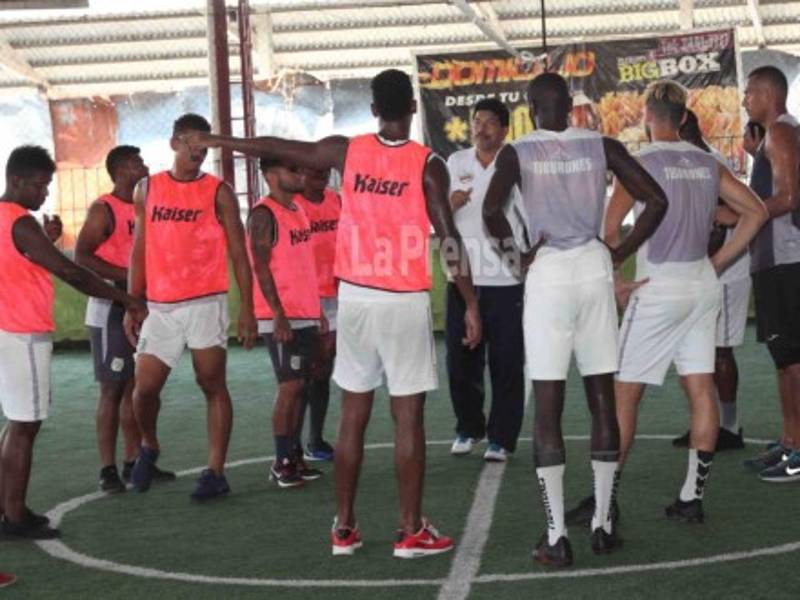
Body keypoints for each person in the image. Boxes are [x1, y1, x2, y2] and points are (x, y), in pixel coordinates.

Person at [183, 69, 481, 558]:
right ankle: (409, 530)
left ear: (372, 110)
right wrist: (469, 301)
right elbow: (448, 236)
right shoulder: (428, 164)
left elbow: (279, 146)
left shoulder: (347, 150)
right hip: (402, 299)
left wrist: (215, 138)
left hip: (355, 301)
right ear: (411, 108)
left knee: (352, 418)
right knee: (408, 419)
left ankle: (344, 528)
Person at [483, 72, 668, 567]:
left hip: (547, 274)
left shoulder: (517, 152)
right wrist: (618, 252)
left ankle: (556, 535)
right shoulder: (602, 146)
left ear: (529, 106)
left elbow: (489, 212)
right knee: (601, 399)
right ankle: (603, 526)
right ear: (570, 104)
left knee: (548, 405)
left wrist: (517, 259)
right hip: (592, 268)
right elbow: (657, 200)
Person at [603, 81, 766, 525]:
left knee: (626, 392)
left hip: (658, 285)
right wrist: (718, 261)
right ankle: (691, 497)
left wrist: (618, 280)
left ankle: (605, 500)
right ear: (682, 118)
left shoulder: (641, 163)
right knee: (700, 388)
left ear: (647, 115)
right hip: (700, 282)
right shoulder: (706, 163)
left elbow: (611, 229)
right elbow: (756, 212)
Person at [0, 145, 146, 539]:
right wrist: (126, 297)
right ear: (16, 181)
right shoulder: (18, 222)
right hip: (22, 333)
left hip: (8, 331)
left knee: (17, 422)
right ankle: (14, 517)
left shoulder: (13, 222)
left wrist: (42, 240)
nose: (45, 194)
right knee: (26, 425)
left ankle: (8, 505)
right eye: (40, 185)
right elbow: (71, 271)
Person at [123, 114, 258, 501]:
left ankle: (215, 472)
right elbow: (139, 249)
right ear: (174, 144)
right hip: (160, 307)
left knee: (211, 384)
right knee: (144, 390)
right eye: (191, 143)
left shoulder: (219, 191)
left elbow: (238, 252)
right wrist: (132, 303)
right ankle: (149, 444)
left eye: (204, 145)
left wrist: (247, 306)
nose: (198, 151)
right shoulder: (147, 189)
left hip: (205, 302)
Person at [75, 145, 176, 493]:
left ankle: (136, 460)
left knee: (139, 386)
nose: (145, 167)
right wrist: (127, 278)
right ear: (120, 170)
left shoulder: (145, 207)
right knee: (112, 388)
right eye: (137, 163)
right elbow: (82, 256)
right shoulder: (104, 209)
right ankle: (107, 468)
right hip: (112, 306)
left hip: (145, 305)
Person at [446, 98, 526, 462]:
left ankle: (501, 438)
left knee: (506, 363)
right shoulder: (455, 162)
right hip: (462, 277)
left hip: (506, 278)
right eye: (477, 121)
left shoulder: (515, 161)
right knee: (460, 362)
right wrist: (452, 203)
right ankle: (468, 428)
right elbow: (438, 213)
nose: (481, 128)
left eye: (490, 122)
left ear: (505, 129)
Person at [670, 111, 752, 451]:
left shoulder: (708, 163)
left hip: (726, 269)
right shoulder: (690, 162)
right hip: (704, 269)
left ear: (681, 130)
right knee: (698, 350)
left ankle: (729, 426)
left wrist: (703, 264)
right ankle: (707, 423)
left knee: (720, 350)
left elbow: (720, 225)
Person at [739, 66, 800, 482]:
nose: (744, 101)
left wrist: (746, 216)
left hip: (786, 258)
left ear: (766, 94)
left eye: (748, 94)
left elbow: (790, 196)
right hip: (772, 260)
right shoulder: (770, 139)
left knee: (795, 361)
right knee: (784, 360)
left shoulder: (780, 131)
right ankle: (791, 441)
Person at [249, 158, 324, 488]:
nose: (301, 174)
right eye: (294, 170)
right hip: (282, 316)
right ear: (271, 175)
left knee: (302, 386)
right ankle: (281, 462)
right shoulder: (263, 214)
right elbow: (261, 266)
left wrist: (316, 309)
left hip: (305, 313)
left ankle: (294, 455)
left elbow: (303, 264)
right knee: (290, 386)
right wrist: (278, 312)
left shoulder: (297, 209)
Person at [294, 167, 340, 462]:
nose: (320, 179)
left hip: (337, 294)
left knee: (323, 369)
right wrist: (310, 301)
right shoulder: (294, 206)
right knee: (300, 375)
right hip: (305, 298)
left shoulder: (337, 200)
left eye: (323, 174)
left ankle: (315, 440)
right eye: (313, 174)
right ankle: (291, 445)